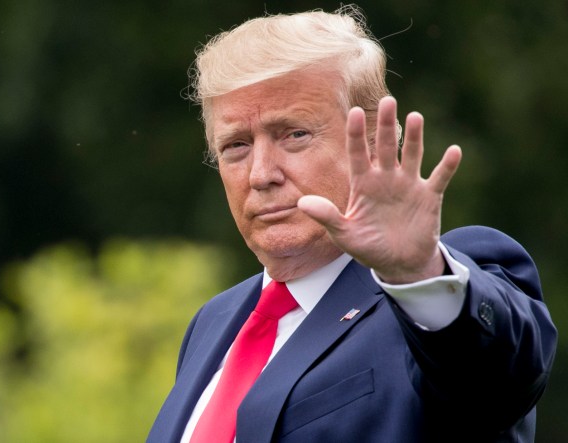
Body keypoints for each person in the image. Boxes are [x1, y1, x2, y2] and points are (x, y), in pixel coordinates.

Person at [146, 5, 557, 443]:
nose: (261, 173)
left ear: (376, 142)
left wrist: (418, 273)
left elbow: (498, 378)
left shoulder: (432, 290)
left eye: (294, 134)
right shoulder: (213, 322)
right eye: (236, 145)